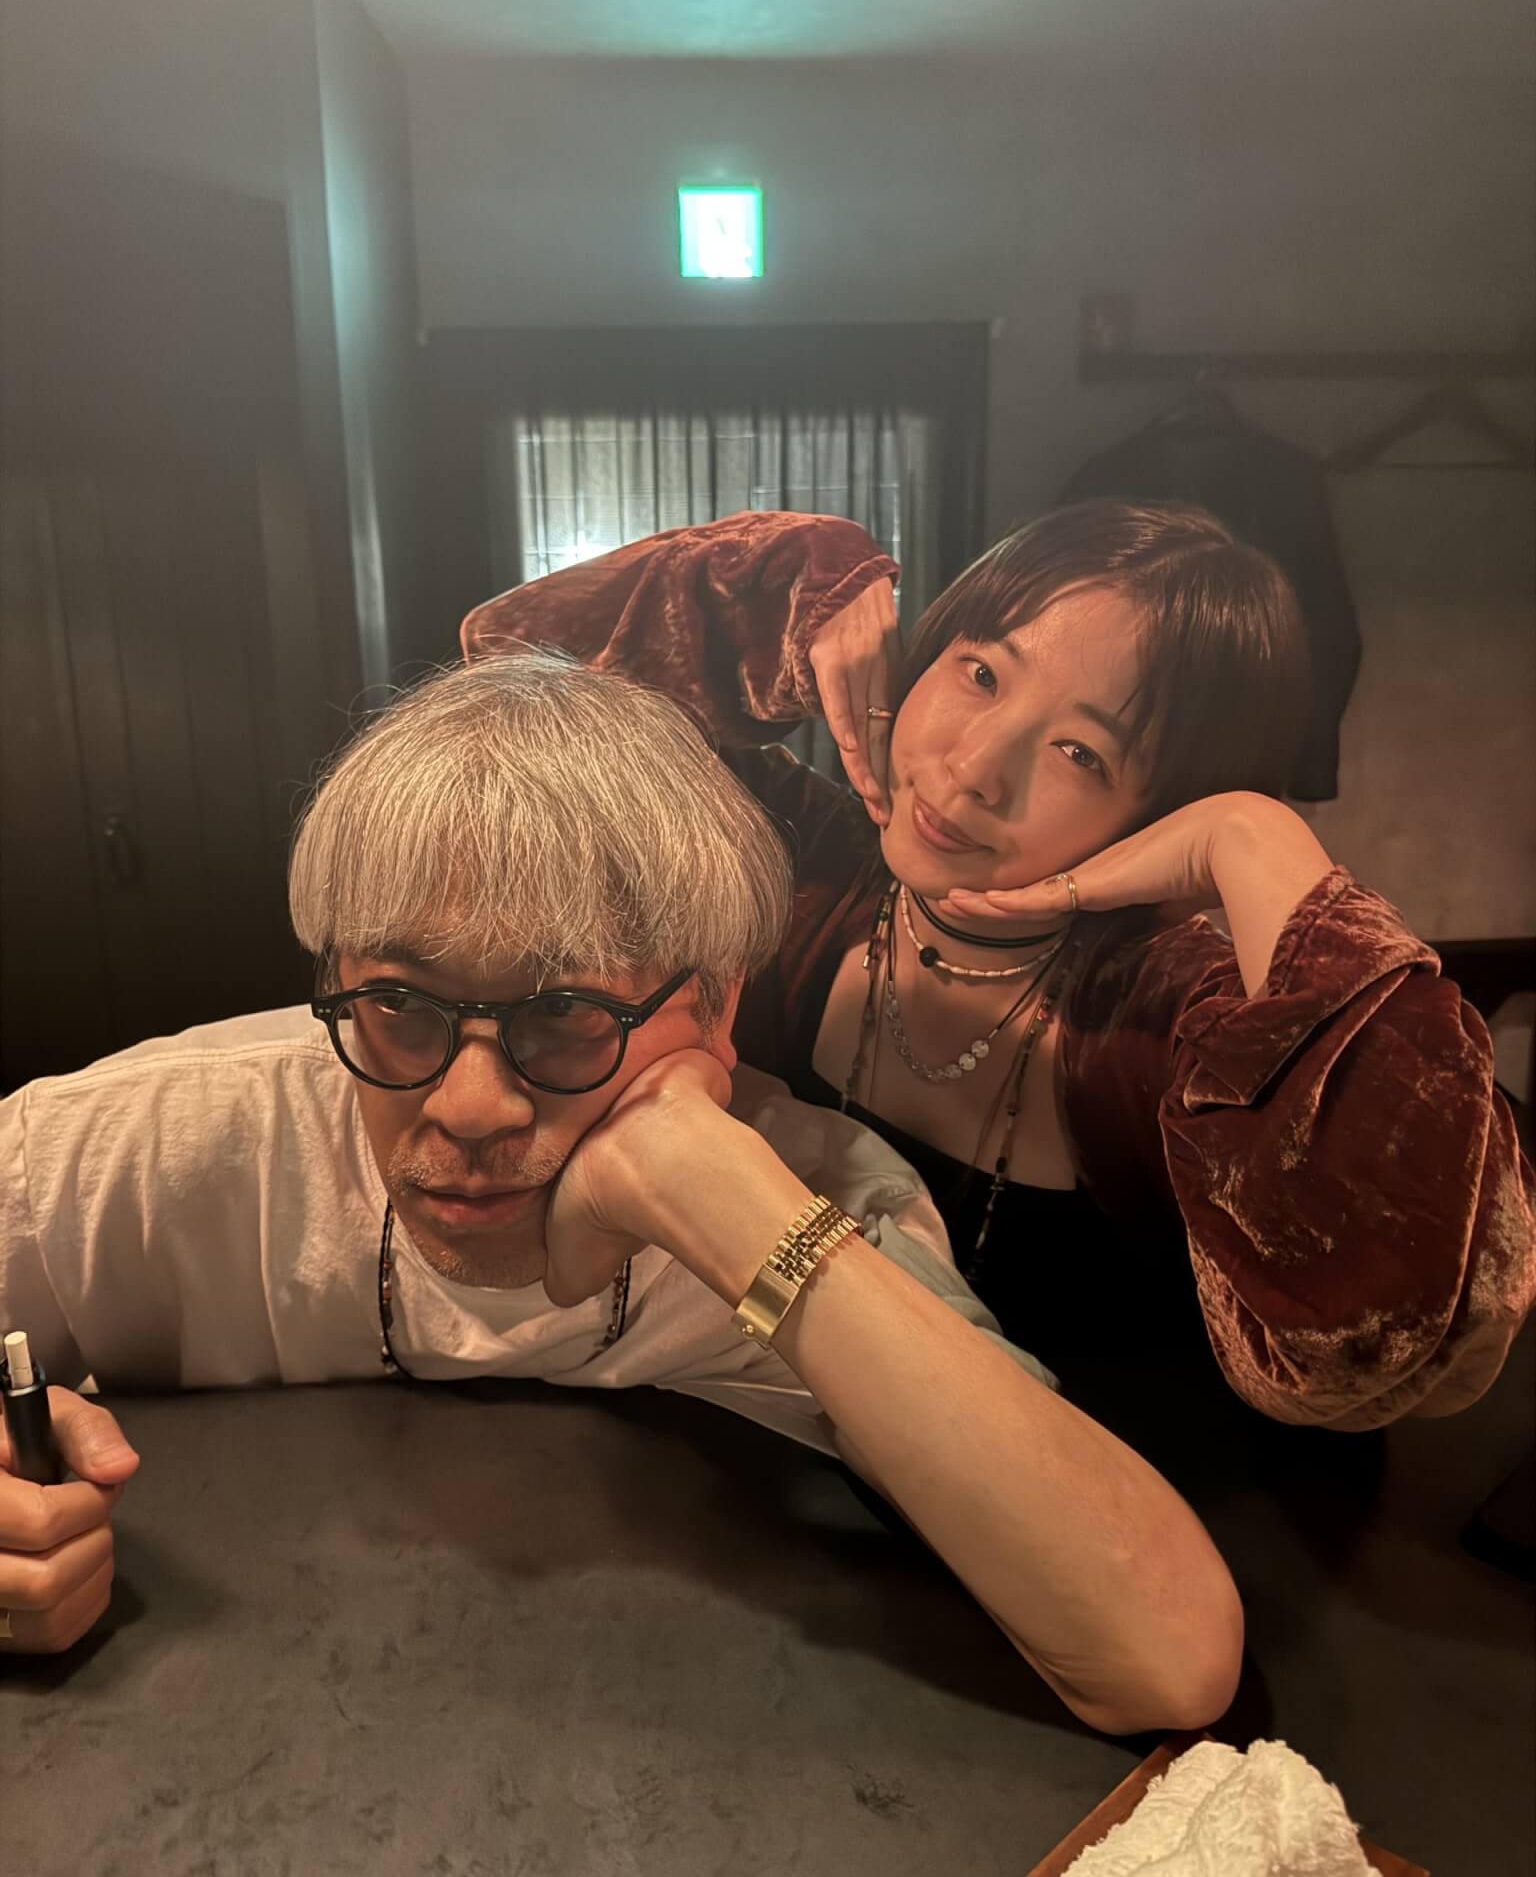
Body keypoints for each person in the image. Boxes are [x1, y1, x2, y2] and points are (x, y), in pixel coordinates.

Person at [0, 652, 1241, 1734]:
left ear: (716, 1000)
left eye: (565, 1013)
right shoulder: (160, 1134)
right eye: (400, 1002)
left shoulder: (807, 1203)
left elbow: (1165, 1653)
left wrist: (709, 1195)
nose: (469, 1105)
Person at [462, 505, 1536, 1431]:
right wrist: (788, 581)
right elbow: (514, 684)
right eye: (980, 672)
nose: (973, 768)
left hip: (1062, 1537)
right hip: (737, 1468)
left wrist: (1256, 840)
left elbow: (1394, 1329)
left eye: (1081, 752)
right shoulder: (791, 858)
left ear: (1163, 811)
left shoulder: (1170, 1018)